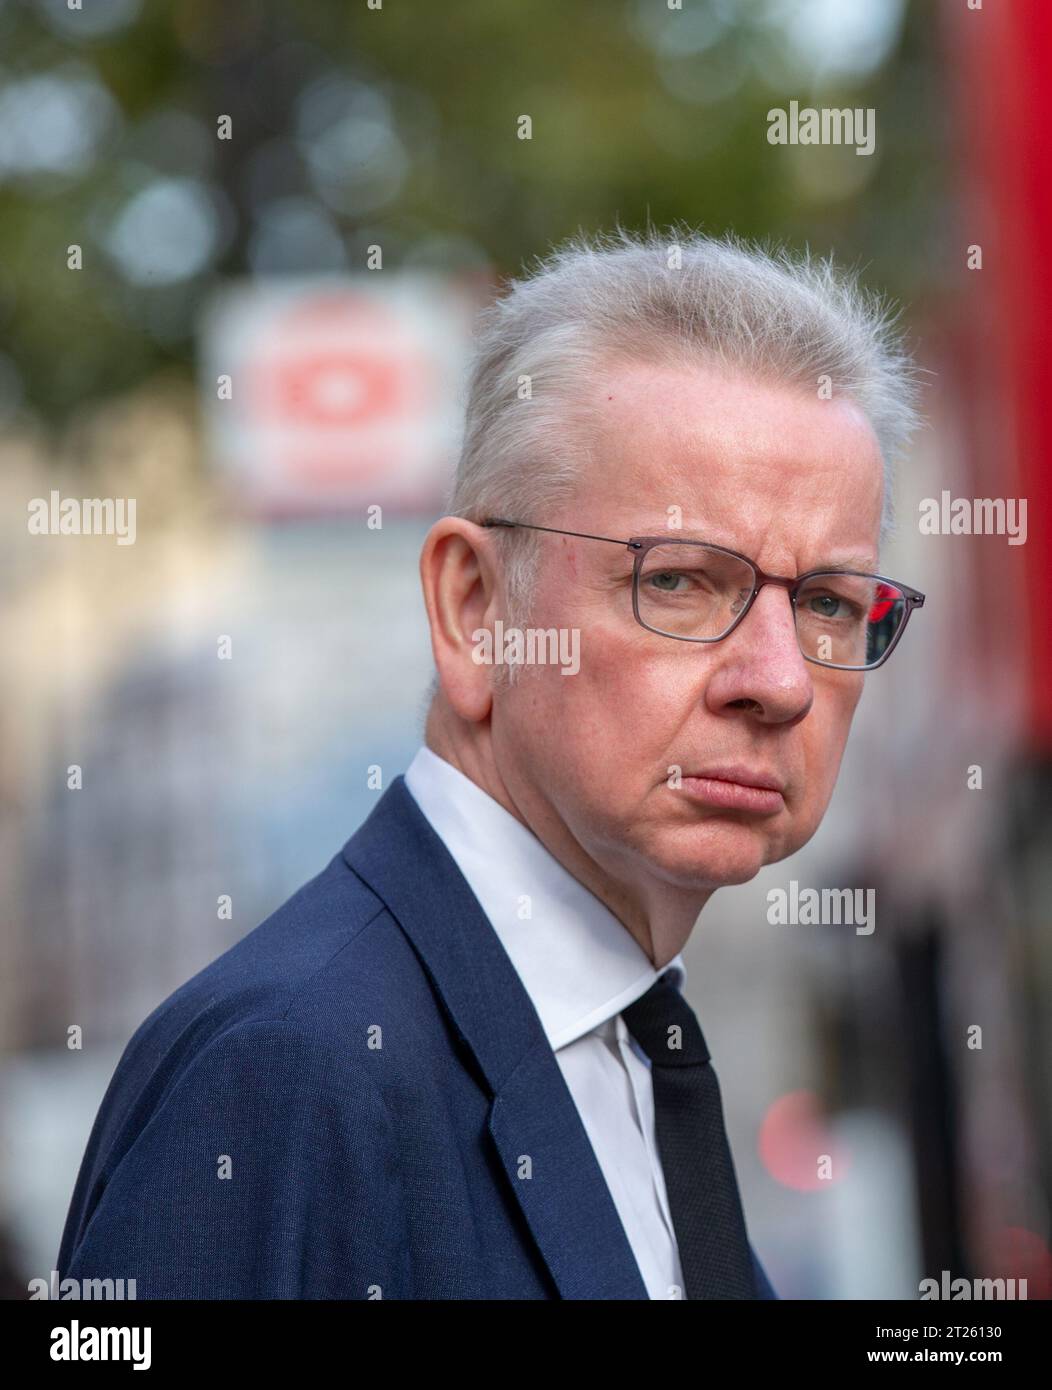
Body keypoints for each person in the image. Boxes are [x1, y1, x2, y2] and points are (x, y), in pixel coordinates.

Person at [57, 227, 924, 1299]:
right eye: (682, 582)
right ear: (474, 610)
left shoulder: (627, 1050)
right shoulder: (282, 1071)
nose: (780, 680)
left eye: (830, 602)